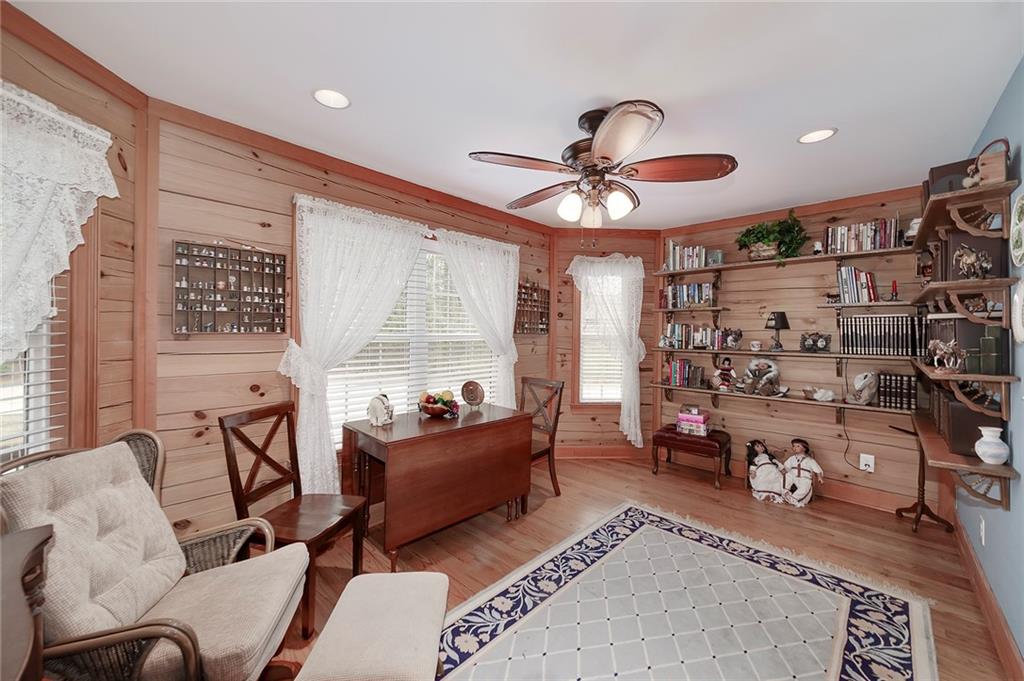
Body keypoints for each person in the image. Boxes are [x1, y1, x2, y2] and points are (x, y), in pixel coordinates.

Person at [781, 438, 824, 507]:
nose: (795, 448)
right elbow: (786, 467)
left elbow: (817, 469)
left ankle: (794, 498)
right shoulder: (792, 458)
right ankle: (786, 493)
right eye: (793, 446)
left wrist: (819, 477)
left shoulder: (810, 460)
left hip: (804, 478)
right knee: (786, 477)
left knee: (805, 486)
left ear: (804, 448)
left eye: (798, 446)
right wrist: (784, 471)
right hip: (793, 475)